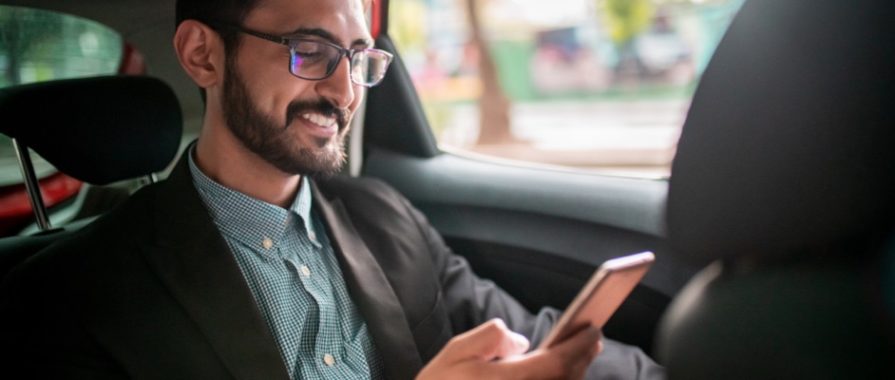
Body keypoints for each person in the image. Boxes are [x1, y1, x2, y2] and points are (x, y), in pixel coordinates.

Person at [0, 0, 663, 378]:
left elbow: (521, 331)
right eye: (309, 51)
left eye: (357, 58)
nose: (345, 92)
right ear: (203, 54)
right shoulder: (72, 295)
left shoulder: (383, 215)